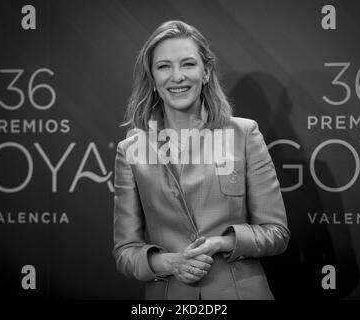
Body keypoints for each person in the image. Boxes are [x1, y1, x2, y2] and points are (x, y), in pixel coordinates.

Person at [113, 20, 290, 300]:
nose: (177, 76)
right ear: (153, 80)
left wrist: (222, 242)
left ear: (206, 72)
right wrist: (171, 262)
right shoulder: (131, 149)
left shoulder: (243, 135)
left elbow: (277, 233)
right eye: (163, 66)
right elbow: (125, 251)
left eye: (188, 64)